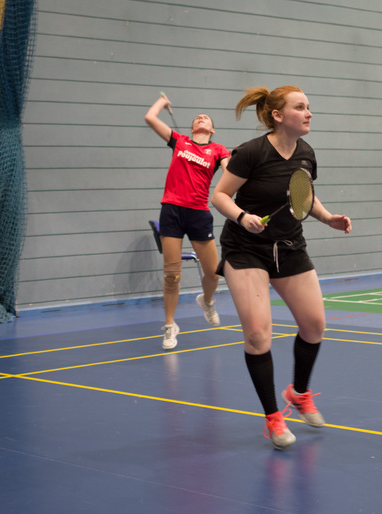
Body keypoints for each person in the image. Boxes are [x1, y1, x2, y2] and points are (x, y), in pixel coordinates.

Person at [211, 86, 352, 449]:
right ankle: (273, 417)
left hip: (288, 246)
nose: (308, 113)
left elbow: (303, 196)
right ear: (278, 115)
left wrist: (327, 217)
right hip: (246, 248)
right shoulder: (251, 152)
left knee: (314, 325)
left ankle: (299, 393)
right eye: (300, 107)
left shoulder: (306, 154)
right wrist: (242, 217)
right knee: (258, 335)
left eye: (309, 107)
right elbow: (220, 195)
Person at [144, 93, 231, 349]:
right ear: (192, 128)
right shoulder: (179, 141)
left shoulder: (218, 150)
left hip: (198, 213)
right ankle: (170, 325)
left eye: (206, 118)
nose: (201, 118)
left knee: (213, 273)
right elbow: (150, 117)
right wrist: (162, 102)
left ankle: (207, 301)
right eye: (197, 117)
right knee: (171, 275)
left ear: (212, 130)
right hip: (171, 210)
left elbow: (231, 173)